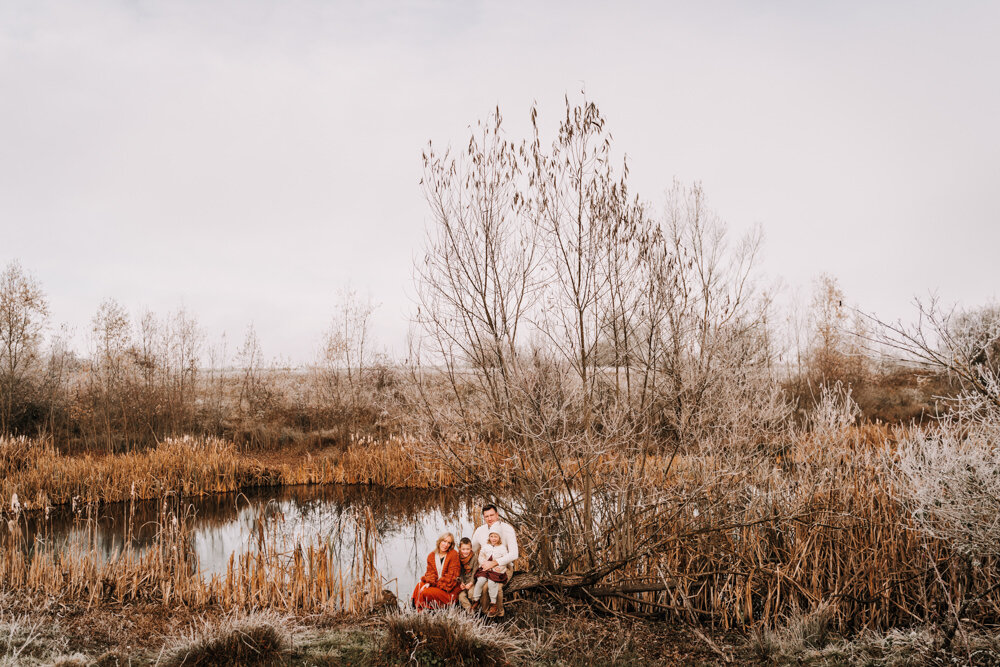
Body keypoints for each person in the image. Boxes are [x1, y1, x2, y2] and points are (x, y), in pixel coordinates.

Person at [470, 504, 518, 617]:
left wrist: (495, 563)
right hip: (485, 567)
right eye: (486, 516)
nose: (489, 518)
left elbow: (514, 554)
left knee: (492, 586)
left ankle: (497, 613)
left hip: (502, 567)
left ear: (497, 515)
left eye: (492, 515)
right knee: (481, 583)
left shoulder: (507, 529)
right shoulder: (480, 531)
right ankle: (484, 613)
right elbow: (471, 550)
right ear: (483, 517)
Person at [411, 531, 461, 610]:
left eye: (449, 543)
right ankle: (416, 608)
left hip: (447, 590)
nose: (446, 545)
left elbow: (451, 577)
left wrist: (433, 585)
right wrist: (429, 582)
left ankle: (422, 610)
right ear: (440, 541)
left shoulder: (453, 554)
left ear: (451, 545)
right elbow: (430, 573)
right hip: (436, 585)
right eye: (444, 541)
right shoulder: (431, 555)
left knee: (425, 592)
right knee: (419, 585)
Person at [471, 527, 508, 616]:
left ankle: (493, 603)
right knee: (480, 581)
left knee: (492, 583)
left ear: (499, 538)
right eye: (492, 536)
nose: (493, 538)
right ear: (489, 537)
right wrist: (483, 564)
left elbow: (506, 559)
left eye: (496, 536)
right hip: (486, 568)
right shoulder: (485, 546)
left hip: (496, 569)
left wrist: (499, 567)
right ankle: (476, 600)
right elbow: (481, 556)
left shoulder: (502, 548)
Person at [456, 537, 477, 611]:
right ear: (459, 548)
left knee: (471, 594)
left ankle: (477, 605)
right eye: (463, 549)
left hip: (472, 582)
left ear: (471, 548)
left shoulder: (474, 558)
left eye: (468, 549)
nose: (465, 551)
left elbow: (475, 572)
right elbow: (459, 573)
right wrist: (461, 583)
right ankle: (471, 612)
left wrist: (471, 583)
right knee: (461, 596)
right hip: (463, 583)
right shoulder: (457, 558)